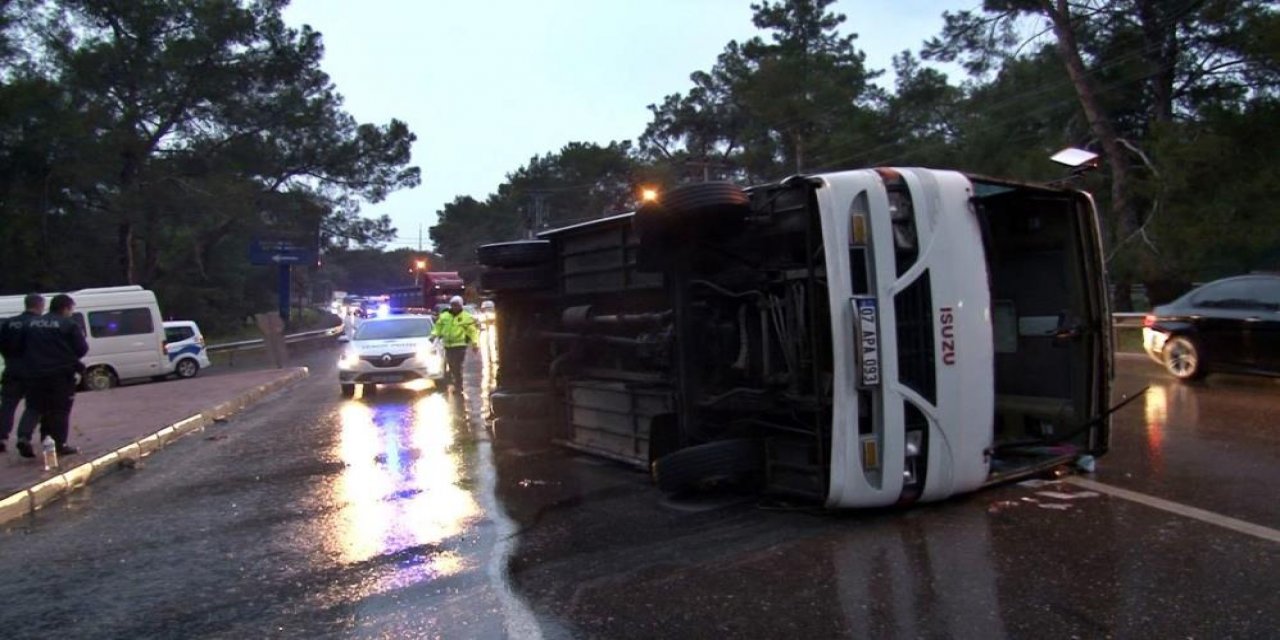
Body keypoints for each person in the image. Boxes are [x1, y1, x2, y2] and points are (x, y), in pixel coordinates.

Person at [16, 294, 88, 458]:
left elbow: (19, 347)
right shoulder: (68, 324)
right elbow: (81, 349)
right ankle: (58, 443)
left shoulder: (31, 323)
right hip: (60, 375)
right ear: (65, 308)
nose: (71, 312)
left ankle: (23, 436)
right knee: (60, 410)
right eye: (71, 309)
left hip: (34, 374)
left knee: (34, 407)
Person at [0, 294, 46, 453]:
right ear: (40, 305)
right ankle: (24, 437)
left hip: (12, 370)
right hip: (33, 372)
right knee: (34, 406)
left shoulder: (9, 323)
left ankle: (1, 437)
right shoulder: (39, 324)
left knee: (7, 405)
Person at [430, 295, 479, 392]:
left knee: (458, 366)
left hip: (460, 346)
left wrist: (475, 343)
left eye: (457, 305)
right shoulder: (444, 316)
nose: (455, 307)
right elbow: (438, 327)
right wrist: (433, 335)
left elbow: (472, 331)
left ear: (461, 306)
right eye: (453, 305)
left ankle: (458, 385)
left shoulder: (466, 317)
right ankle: (456, 380)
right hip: (448, 346)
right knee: (452, 365)